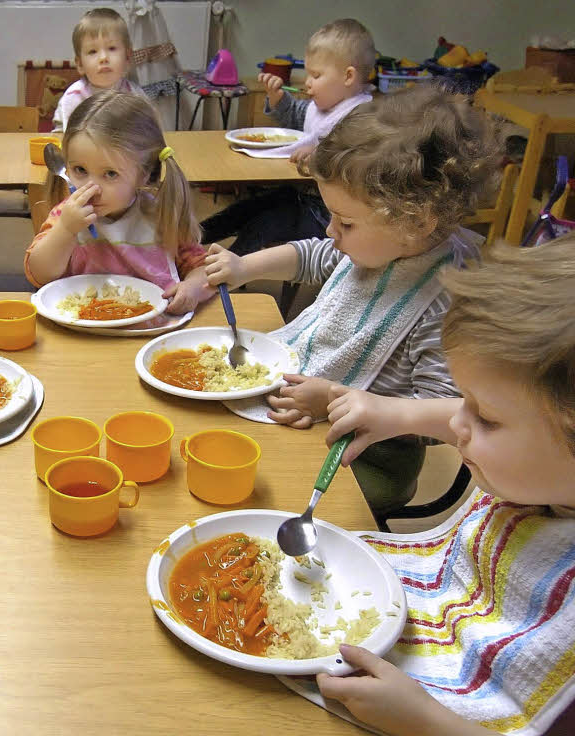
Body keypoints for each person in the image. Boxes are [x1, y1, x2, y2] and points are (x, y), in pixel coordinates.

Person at [306, 236, 575, 736]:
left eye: (487, 418)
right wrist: (393, 411)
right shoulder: (554, 472)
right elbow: (457, 414)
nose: (459, 424)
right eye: (463, 400)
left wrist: (426, 721)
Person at [203, 85, 499, 514]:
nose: (330, 233)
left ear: (417, 221)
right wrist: (244, 266)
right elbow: (315, 255)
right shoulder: (380, 246)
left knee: (252, 487)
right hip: (310, 407)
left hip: (372, 457)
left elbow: (448, 419)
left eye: (345, 222)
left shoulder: (443, 300)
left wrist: (337, 400)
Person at [27, 90, 212, 316]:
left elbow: (201, 267)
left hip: (150, 328)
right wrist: (66, 230)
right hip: (79, 326)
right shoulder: (65, 215)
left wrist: (193, 288)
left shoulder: (160, 215)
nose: (91, 188)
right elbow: (38, 274)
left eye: (110, 174)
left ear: (144, 174)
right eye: (80, 170)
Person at [200, 18, 376, 255]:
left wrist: (320, 156)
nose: (307, 81)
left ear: (348, 76)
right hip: (298, 194)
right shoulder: (324, 105)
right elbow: (296, 116)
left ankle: (222, 271)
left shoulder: (363, 117)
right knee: (245, 209)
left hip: (328, 216)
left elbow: (355, 160)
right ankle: (189, 241)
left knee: (263, 224)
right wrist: (276, 98)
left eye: (316, 75)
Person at [52, 8, 150, 132]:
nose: (103, 58)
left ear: (127, 58)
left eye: (112, 48)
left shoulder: (135, 96)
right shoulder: (74, 97)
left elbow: (148, 134)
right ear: (80, 64)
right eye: (93, 51)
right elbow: (71, 141)